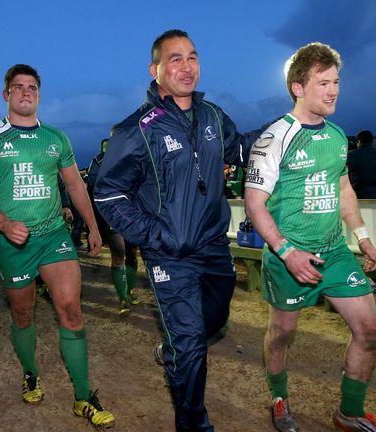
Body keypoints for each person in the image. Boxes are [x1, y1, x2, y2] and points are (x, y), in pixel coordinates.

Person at [94, 29, 259, 431]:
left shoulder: (213, 115)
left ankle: (175, 347)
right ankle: (193, 422)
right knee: (190, 344)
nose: (187, 67)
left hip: (214, 245)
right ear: (155, 70)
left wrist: (291, 123)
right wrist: (155, 236)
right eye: (175, 59)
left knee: (214, 321)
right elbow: (108, 193)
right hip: (170, 255)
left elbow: (242, 149)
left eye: (192, 57)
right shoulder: (137, 129)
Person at [244, 42, 376, 432]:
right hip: (289, 255)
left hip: (334, 252)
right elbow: (254, 203)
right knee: (282, 334)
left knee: (370, 330)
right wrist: (287, 252)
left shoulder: (338, 135)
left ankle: (349, 412)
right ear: (298, 88)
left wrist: (362, 236)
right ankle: (279, 397)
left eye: (336, 82)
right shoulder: (274, 138)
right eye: (323, 83)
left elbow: (343, 188)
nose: (333, 90)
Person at [0, 64, 114, 428]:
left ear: (39, 95)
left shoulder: (56, 138)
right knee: (23, 313)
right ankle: (30, 373)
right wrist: (3, 224)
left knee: (71, 310)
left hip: (53, 237)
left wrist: (93, 226)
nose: (26, 92)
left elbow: (75, 185)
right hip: (12, 241)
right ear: (6, 95)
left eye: (32, 87)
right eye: (18, 87)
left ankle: (83, 397)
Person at [87, 137, 140, 317]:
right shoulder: (99, 161)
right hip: (113, 214)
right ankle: (122, 298)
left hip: (133, 213)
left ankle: (130, 290)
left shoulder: (133, 157)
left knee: (132, 253)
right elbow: (92, 185)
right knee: (119, 254)